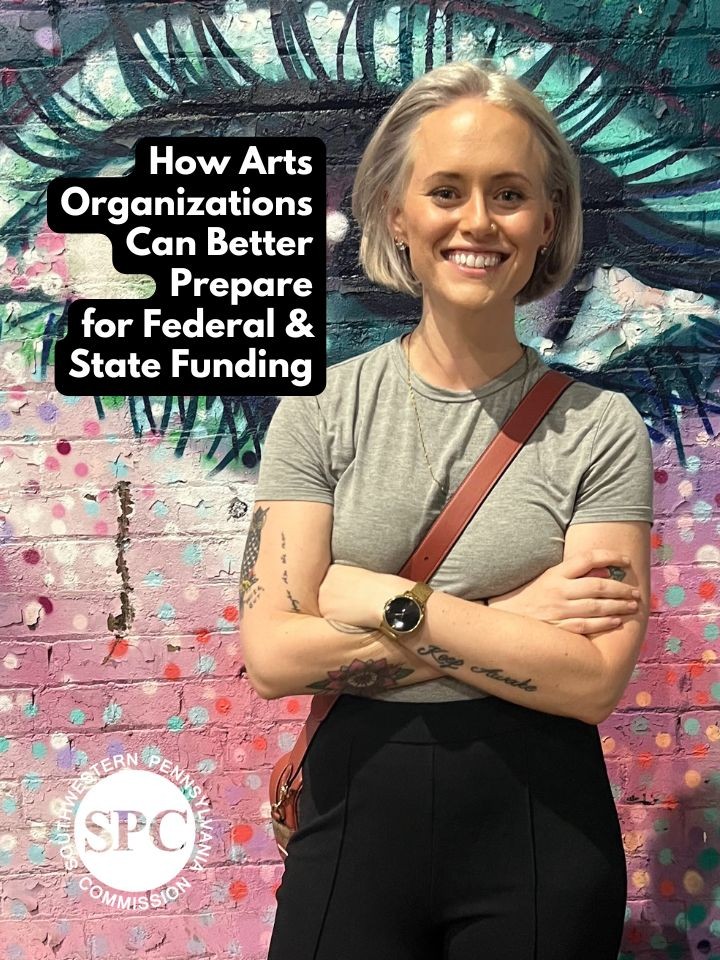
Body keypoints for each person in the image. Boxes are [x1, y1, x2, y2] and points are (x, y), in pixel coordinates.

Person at [241, 60, 653, 960]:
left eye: (509, 194)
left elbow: (590, 681)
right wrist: (511, 622)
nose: (478, 221)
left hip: (540, 835)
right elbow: (273, 655)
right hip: (353, 820)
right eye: (447, 190)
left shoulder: (600, 428)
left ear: (546, 222)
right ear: (398, 213)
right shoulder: (321, 410)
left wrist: (388, 602)